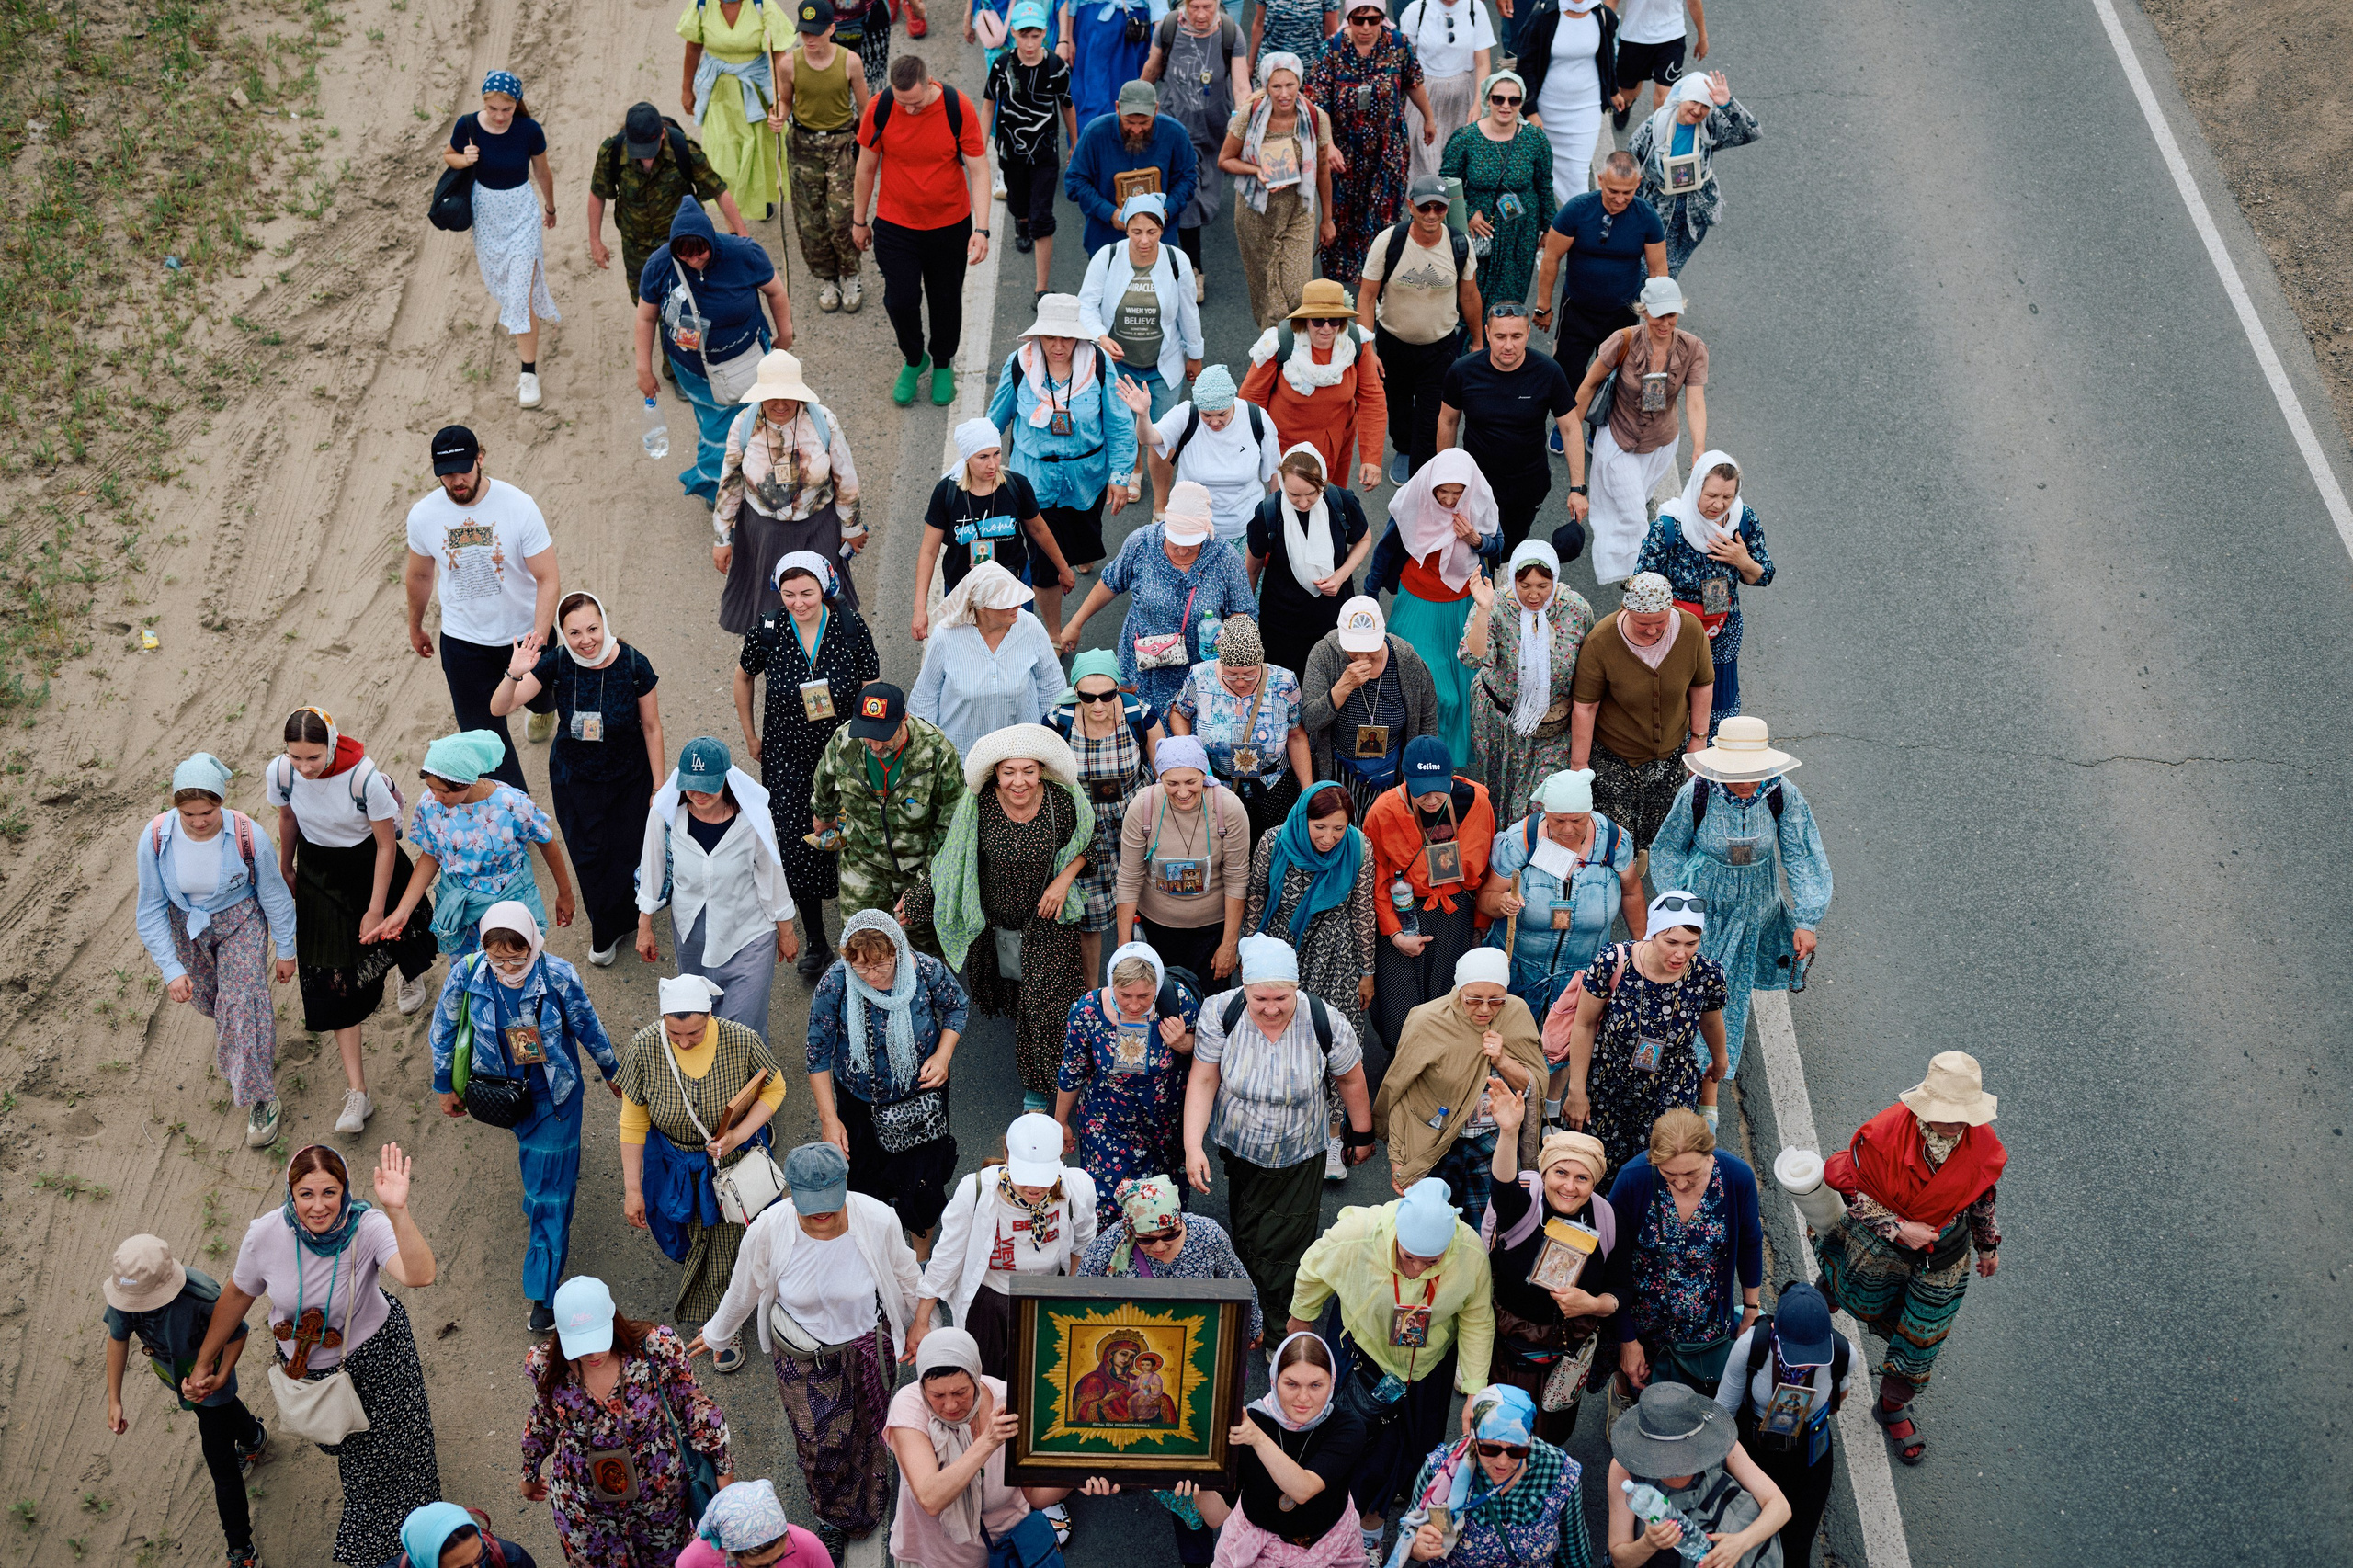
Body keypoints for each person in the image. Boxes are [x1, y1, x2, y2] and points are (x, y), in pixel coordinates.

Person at [188, 1144, 441, 1567]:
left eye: (330, 1192)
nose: (319, 1206)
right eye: (306, 1194)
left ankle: (395, 1548)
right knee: (345, 1447)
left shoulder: (369, 1226)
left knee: (383, 1462)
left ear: (345, 1190)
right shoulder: (265, 1234)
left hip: (377, 1360)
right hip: (304, 1369)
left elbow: (421, 1275)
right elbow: (237, 1294)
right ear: (290, 1193)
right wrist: (204, 1361)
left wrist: (397, 1210)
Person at [693, 1143, 924, 1568]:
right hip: (802, 1360)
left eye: (829, 1206)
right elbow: (743, 1287)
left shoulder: (877, 1218)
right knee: (820, 1446)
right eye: (810, 1207)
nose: (821, 1216)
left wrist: (919, 1327)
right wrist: (718, 1333)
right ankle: (833, 1520)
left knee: (868, 1432)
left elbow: (908, 1274)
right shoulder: (769, 1229)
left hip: (865, 1348)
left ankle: (870, 1505)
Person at [428, 902, 620, 1329]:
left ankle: (544, 1294)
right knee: (544, 1178)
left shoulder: (558, 976)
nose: (507, 966)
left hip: (555, 1100)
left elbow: (587, 1025)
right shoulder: (467, 973)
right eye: (497, 957)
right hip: (501, 1099)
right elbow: (443, 1029)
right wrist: (444, 1085)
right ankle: (548, 1186)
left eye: (516, 956)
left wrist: (612, 1070)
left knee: (548, 1199)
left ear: (532, 942)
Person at [1814, 1053, 2006, 1470]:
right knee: (1848, 1287)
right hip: (1880, 1245)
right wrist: (1899, 1228)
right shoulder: (1884, 1133)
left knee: (1922, 1339)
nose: (1956, 1125)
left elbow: (1982, 1200)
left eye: (1963, 1116)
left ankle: (1891, 1405)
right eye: (1947, 1114)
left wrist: (1987, 1246)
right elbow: (1850, 1190)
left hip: (1943, 1256)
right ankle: (1820, 1302)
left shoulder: (1981, 1144)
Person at [1286, 1177, 1493, 1558]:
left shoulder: (1470, 1252)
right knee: (1348, 1449)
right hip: (1361, 1354)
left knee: (1416, 1453)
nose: (1415, 1270)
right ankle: (1342, 1530)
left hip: (1427, 1368)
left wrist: (1476, 1390)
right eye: (1407, 1257)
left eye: (1430, 1262)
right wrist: (1301, 1321)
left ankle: (1374, 1524)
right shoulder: (1357, 1233)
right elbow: (1313, 1269)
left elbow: (1478, 1318)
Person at [1187, 936, 1375, 1325]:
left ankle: (1278, 1330)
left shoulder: (1325, 1019)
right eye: (1261, 1000)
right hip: (1241, 1146)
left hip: (1300, 1150)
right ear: (1245, 987)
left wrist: (1363, 1134)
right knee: (1249, 1232)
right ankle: (1251, 1309)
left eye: (1281, 999)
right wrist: (1193, 1146)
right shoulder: (1221, 1011)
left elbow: (1352, 1081)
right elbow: (1203, 1079)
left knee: (1284, 1244)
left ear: (1296, 988)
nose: (1271, 1008)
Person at [906, 725, 1094, 1111]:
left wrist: (1062, 880)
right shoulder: (979, 807)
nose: (1019, 781)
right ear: (996, 774)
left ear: (1041, 770)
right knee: (1015, 997)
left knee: (1044, 1007)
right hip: (998, 923)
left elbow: (1091, 844)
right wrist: (918, 901)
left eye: (1027, 770)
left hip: (1048, 921)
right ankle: (1041, 1053)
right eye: (1009, 772)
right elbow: (952, 861)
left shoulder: (1063, 801)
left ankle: (1041, 1087)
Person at [492, 595, 665, 968]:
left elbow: (651, 728)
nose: (585, 639)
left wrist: (658, 786)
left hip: (628, 777)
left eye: (592, 628)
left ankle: (635, 913)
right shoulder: (557, 663)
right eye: (573, 632)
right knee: (589, 857)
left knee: (626, 850)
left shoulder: (634, 664)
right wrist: (514, 672)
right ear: (562, 633)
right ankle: (605, 929)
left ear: (603, 622)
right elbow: (499, 707)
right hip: (576, 779)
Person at [1650, 718, 1826, 1085]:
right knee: (1694, 983)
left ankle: (1706, 1077)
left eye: (1752, 773)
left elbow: (1802, 853)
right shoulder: (1697, 793)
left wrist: (1807, 919)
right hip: (1703, 910)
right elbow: (1667, 850)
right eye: (1736, 773)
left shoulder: (1782, 794)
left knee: (1731, 990)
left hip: (1753, 911)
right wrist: (1676, 911)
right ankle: (1686, 1067)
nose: (1745, 783)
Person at [735, 552, 881, 978]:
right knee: (797, 843)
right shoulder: (767, 631)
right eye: (789, 593)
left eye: (807, 592)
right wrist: (750, 735)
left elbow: (871, 686)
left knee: (855, 838)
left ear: (825, 588)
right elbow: (743, 677)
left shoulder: (851, 628)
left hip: (844, 753)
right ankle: (817, 941)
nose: (798, 602)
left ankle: (863, 930)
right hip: (786, 756)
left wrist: (872, 740)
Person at [523, 1276, 736, 1566]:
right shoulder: (546, 1365)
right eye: (580, 1344)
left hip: (658, 1493)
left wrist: (725, 1480)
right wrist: (529, 1474)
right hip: (582, 1499)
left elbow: (695, 1409)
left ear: (612, 1318)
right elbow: (541, 1422)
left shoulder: (655, 1348)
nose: (591, 1354)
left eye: (597, 1338)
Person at [619, 973, 787, 1341]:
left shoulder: (741, 1040)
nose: (684, 1041)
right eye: (675, 1033)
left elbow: (774, 1088)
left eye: (693, 1033)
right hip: (674, 1164)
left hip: (733, 1162)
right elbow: (632, 1121)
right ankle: (730, 1301)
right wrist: (633, 1189)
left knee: (729, 1239)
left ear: (710, 1015)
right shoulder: (644, 1047)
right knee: (685, 1233)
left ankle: (723, 1327)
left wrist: (738, 1134)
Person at [133, 747, 286, 1149]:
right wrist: (171, 969)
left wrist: (285, 948)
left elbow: (273, 893)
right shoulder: (155, 840)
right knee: (211, 1001)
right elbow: (149, 908)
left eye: (208, 813)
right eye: (189, 815)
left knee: (239, 1003)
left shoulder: (248, 835)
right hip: (188, 929)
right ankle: (249, 1032)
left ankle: (261, 1098)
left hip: (240, 922)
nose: (199, 822)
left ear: (221, 803)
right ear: (176, 809)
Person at [403, 425, 559, 791]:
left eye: (463, 469)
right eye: (447, 473)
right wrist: (415, 625)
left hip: (524, 636)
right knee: (486, 740)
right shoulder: (424, 515)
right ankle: (517, 817)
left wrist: (537, 639)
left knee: (542, 699)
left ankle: (543, 709)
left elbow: (547, 578)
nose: (456, 481)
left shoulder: (518, 506)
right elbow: (420, 576)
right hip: (464, 643)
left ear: (480, 458)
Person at [99, 1234, 270, 1568]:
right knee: (219, 1412)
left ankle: (241, 1548)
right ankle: (252, 1438)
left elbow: (238, 1331)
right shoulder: (125, 1296)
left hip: (210, 1380)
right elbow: (117, 1339)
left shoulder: (201, 1295)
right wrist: (114, 1399)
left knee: (221, 1467)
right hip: (175, 1376)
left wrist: (219, 1378)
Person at [804, 909, 967, 1255]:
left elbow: (957, 1007)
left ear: (897, 951)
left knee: (923, 1183)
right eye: (861, 967)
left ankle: (920, 1259)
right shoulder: (835, 982)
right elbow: (817, 1053)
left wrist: (942, 1056)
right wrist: (829, 1120)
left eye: (880, 965)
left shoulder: (924, 970)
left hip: (922, 1098)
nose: (871, 975)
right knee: (865, 1184)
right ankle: (877, 1256)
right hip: (860, 1104)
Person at [885, 1328, 1118, 1568]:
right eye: (937, 1395)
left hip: (1006, 1552)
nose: (950, 1405)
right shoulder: (909, 1406)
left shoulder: (1010, 1402)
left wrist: (1075, 1477)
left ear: (976, 1376)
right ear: (922, 1387)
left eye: (960, 1392)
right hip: (930, 1558)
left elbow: (1035, 1497)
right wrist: (987, 1443)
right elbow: (930, 1498)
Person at [1242, 782, 1377, 1166]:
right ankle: (1280, 1127)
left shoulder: (1359, 846)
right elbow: (1256, 896)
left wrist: (1367, 971)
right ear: (1304, 818)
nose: (1330, 838)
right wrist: (1249, 950)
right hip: (1281, 947)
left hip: (1335, 951)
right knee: (1277, 1036)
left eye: (1338, 828)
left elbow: (1362, 910)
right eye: (1320, 827)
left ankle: (1333, 1137)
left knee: (1336, 1039)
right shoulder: (1274, 842)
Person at [911, 1114, 1100, 1375]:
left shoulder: (1078, 1189)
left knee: (1041, 1380)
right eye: (1025, 1175)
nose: (1034, 1188)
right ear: (1006, 1155)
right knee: (985, 1381)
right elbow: (947, 1257)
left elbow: (1083, 1243)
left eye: (1043, 1176)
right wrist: (921, 1321)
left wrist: (1070, 1299)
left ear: (1059, 1159)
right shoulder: (976, 1190)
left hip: (1045, 1299)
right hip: (990, 1303)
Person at [635, 197, 795, 505]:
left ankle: (758, 479)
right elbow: (645, 316)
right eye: (685, 256)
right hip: (694, 369)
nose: (694, 261)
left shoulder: (743, 254)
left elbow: (775, 291)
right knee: (718, 432)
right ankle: (719, 489)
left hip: (748, 358)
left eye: (701, 253)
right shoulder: (659, 265)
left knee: (760, 421)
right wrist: (644, 368)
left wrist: (785, 334)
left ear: (711, 240)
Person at [853, 55, 992, 408]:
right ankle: (915, 359)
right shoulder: (881, 107)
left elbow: (978, 170)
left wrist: (982, 229)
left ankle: (943, 361)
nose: (909, 110)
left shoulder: (956, 107)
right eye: (902, 103)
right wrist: (858, 220)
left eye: (915, 103)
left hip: (948, 225)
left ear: (930, 84)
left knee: (945, 300)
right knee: (900, 300)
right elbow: (866, 167)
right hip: (896, 224)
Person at [637, 737, 798, 1039]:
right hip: (692, 938)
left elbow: (772, 878)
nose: (697, 794)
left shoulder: (752, 821)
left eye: (707, 784)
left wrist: (786, 932)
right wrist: (645, 926)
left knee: (743, 1030)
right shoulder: (665, 817)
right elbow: (652, 870)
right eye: (690, 784)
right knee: (702, 1025)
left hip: (748, 936)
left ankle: (754, 1084)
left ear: (725, 778)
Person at [1553, 896, 1726, 1171]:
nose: (1680, 954)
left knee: (1662, 1164)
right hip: (1608, 1082)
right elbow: (1584, 1024)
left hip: (1672, 1083)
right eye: (1671, 943)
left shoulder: (1707, 974)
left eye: (1690, 944)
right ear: (1653, 934)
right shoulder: (1612, 961)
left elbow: (1711, 1020)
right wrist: (1576, 1091)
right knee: (1598, 1165)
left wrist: (1720, 1059)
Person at [367, 731, 574, 960]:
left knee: (512, 964)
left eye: (443, 791)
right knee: (470, 970)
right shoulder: (430, 805)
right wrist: (402, 912)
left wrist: (565, 893)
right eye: (430, 787)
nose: (435, 797)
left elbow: (546, 841)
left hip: (508, 900)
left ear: (466, 782)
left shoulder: (511, 804)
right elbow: (431, 854)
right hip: (462, 906)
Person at [1377, 948, 1543, 1232]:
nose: (1484, 1009)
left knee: (1490, 1229)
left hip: (1490, 1141)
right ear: (1458, 990)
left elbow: (1534, 1085)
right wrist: (1398, 1157)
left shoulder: (1516, 1013)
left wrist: (1502, 1060)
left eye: (1496, 1000)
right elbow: (1401, 1092)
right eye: (1474, 999)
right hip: (1437, 1140)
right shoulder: (1426, 1020)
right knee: (1430, 1230)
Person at [1055, 483, 1257, 715]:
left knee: (1185, 735)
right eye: (1176, 542)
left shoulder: (1225, 557)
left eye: (1190, 545)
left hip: (1198, 669)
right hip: (1144, 664)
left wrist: (1228, 634)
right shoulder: (1141, 543)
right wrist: (1075, 623)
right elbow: (1111, 583)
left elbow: (1243, 611)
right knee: (1139, 725)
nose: (1182, 551)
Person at [985, 294, 1135, 608]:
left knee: (1084, 541)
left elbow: (1119, 425)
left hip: (1087, 479)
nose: (1058, 345)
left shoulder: (1098, 364)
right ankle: (1053, 634)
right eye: (1050, 337)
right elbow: (994, 422)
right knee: (1044, 565)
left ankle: (1078, 556)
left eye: (1067, 337)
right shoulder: (1019, 365)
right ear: (1038, 335)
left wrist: (1120, 476)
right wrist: (978, 466)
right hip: (1034, 483)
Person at [1482, 1107, 1621, 1441]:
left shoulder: (1604, 1218)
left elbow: (1621, 1288)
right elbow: (1502, 1187)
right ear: (1544, 1174)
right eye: (1560, 1173)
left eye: (1582, 1178)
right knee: (1501, 1434)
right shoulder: (1523, 1207)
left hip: (1566, 1361)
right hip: (1508, 1352)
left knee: (1552, 1436)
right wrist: (1509, 1132)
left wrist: (1593, 1305)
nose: (1569, 1187)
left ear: (1595, 1181)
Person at [1608, 1108, 1763, 1409]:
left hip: (1706, 1321)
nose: (1680, 1184)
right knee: (1640, 1386)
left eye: (1691, 1174)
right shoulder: (1633, 1179)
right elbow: (1613, 1264)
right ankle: (1623, 1395)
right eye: (1669, 1175)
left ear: (1710, 1155)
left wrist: (1750, 1309)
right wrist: (1627, 1340)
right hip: (1642, 1321)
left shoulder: (1736, 1177)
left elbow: (1750, 1242)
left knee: (1694, 1395)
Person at [1364, 736, 1497, 1074]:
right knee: (1397, 1007)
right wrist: (1394, 934)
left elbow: (1485, 869)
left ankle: (1442, 1073)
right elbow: (1375, 878)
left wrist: (1480, 926)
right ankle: (1402, 1071)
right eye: (1422, 789)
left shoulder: (1476, 800)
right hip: (1402, 909)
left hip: (1455, 913)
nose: (1433, 798)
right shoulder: (1383, 810)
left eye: (1440, 788)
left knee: (1447, 1001)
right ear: (1405, 778)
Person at [1563, 275, 1705, 585]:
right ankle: (1641, 580)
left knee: (1633, 503)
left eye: (1671, 315)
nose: (1665, 323)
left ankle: (1626, 563)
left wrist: (1698, 447)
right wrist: (1570, 428)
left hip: (1661, 443)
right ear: (1644, 311)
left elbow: (1694, 401)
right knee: (1634, 515)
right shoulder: (1623, 340)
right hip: (1620, 439)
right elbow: (1589, 385)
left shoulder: (1693, 348)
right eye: (1658, 315)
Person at [1183, 1333, 1366, 1568]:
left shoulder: (1347, 1427)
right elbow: (1217, 1516)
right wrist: (1197, 1482)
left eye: (1316, 1385)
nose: (1303, 1397)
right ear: (1273, 1380)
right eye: (1291, 1384)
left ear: (1332, 1382)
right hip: (1254, 1545)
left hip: (1331, 1544)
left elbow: (1303, 1489)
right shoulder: (1250, 1423)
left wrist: (1257, 1438)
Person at [715, 349, 864, 631]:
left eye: (788, 394)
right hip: (765, 533)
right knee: (776, 612)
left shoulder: (823, 421)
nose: (781, 404)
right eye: (772, 395)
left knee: (821, 605)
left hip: (818, 528)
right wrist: (722, 538)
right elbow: (730, 483)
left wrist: (851, 527)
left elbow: (845, 477)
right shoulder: (744, 425)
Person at [1483, 767, 1643, 1026]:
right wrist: (1500, 903)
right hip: (1520, 969)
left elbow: (1633, 891)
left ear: (1590, 812)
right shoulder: (1520, 840)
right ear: (1545, 813)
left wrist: (1641, 947)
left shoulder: (1613, 842)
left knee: (1567, 1050)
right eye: (1558, 821)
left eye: (1578, 820)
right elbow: (1486, 898)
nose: (1568, 829)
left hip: (1583, 974)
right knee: (1511, 1039)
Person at [1711, 1283, 1859, 1566]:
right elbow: (1724, 1411)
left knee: (1797, 1548)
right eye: (1797, 1355)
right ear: (1777, 1336)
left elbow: (1838, 1398)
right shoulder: (1750, 1347)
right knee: (1748, 1536)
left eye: (1813, 1356)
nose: (1805, 1366)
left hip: (1808, 1454)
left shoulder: (1843, 1353)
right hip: (1754, 1451)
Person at [1566, 572, 1713, 851]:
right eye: (1642, 623)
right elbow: (1586, 706)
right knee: (1616, 838)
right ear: (1626, 609)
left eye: (1660, 622)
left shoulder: (1691, 630)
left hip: (1671, 754)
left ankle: (1650, 866)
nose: (1651, 630)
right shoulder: (1601, 642)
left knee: (1665, 829)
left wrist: (1699, 738)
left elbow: (1702, 684)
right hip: (1616, 758)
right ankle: (1624, 881)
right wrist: (1579, 765)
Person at [809, 681, 969, 936]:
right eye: (868, 736)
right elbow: (824, 777)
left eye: (883, 737)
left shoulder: (936, 751)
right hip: (864, 862)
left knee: (922, 952)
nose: (875, 746)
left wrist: (926, 884)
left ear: (904, 719)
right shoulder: (844, 740)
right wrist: (824, 814)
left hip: (918, 866)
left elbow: (950, 823)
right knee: (861, 944)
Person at [1358, 175, 1484, 484]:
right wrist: (1367, 350)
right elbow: (1367, 295)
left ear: (1446, 209)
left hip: (1439, 346)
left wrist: (1479, 340)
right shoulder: (1389, 242)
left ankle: (1422, 468)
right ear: (1410, 205)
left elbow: (1469, 295)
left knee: (1432, 414)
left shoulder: (1458, 244)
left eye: (1438, 208)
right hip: (1393, 342)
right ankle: (1403, 447)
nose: (1431, 214)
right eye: (1424, 207)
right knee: (1397, 405)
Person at [443, 72, 559, 408]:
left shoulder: (529, 130)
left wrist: (550, 208)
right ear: (484, 103)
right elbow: (448, 155)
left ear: (515, 104)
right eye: (493, 108)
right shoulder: (468, 125)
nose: (499, 115)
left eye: (506, 109)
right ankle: (528, 324)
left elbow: (542, 172)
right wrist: (465, 159)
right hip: (487, 215)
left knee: (520, 294)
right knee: (505, 284)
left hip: (522, 213)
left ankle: (528, 375)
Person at [1048, 651, 1165, 981]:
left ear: (1118, 688)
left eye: (1107, 695)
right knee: (1091, 918)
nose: (1098, 705)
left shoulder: (1139, 716)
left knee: (1147, 905)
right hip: (1085, 834)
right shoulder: (1059, 721)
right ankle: (1093, 992)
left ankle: (1144, 981)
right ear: (1075, 692)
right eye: (1087, 697)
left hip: (1135, 825)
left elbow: (1164, 772)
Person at [1635, 451, 1771, 731]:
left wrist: (1743, 562)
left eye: (1727, 496)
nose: (1719, 505)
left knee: (1721, 707)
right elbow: (1642, 582)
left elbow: (1765, 574)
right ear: (1696, 486)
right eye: (1711, 495)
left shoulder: (1742, 521)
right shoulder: (1670, 526)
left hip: (1723, 628)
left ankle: (1712, 765)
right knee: (1672, 707)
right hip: (1674, 633)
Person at [1460, 539, 1594, 821]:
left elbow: (1591, 664)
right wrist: (1483, 609)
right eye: (1525, 586)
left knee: (1540, 803)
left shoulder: (1576, 609)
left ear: (1555, 580)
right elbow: (1472, 659)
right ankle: (1502, 854)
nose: (1533, 595)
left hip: (1553, 727)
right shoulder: (1495, 605)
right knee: (1496, 795)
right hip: (1500, 721)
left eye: (1543, 586)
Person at [1381, 450, 1502, 763]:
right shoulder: (1414, 502)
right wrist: (1368, 593)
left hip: (1462, 606)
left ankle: (1442, 761)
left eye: (1456, 494)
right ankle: (1417, 754)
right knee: (1436, 692)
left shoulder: (1479, 503)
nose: (1449, 501)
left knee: (1463, 694)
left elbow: (1497, 545)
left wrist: (1477, 540)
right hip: (1417, 605)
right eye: (1442, 492)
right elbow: (1386, 547)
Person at [1397, 1385, 1597, 1568]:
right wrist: (1417, 1549)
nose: (1502, 1462)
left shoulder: (1559, 1473)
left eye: (1516, 1451)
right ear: (1474, 1439)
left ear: (1529, 1441)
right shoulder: (1439, 1471)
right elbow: (1409, 1534)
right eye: (1490, 1449)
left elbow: (1575, 1554)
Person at [1055, 936, 1202, 1184]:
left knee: (1159, 1208)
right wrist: (1060, 1122)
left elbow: (1206, 1053)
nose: (1134, 1005)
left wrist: (1183, 1043)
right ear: (1112, 986)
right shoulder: (1087, 1010)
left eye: (1144, 996)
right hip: (1106, 1120)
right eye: (1125, 995)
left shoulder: (1178, 999)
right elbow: (1073, 1069)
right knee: (1105, 1202)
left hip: (1164, 1124)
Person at [1304, 5, 1434, 287]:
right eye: (1357, 20)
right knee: (1343, 221)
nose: (1365, 27)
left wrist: (1428, 117)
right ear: (1347, 20)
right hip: (1344, 154)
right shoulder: (1332, 49)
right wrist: (1328, 144)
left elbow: (1413, 82)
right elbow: (1317, 102)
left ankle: (1379, 284)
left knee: (1384, 218)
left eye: (1372, 20)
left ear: (1382, 19)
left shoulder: (1397, 44)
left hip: (1388, 151)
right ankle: (1340, 293)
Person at [1435, 305, 1582, 549]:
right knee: (1469, 542)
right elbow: (1448, 420)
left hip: (1527, 486)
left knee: (1509, 544)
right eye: (1500, 337)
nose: (1508, 346)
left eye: (1516, 337)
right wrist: (1445, 476)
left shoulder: (1549, 372)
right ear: (1487, 333)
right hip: (1477, 484)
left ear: (1527, 333)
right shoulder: (1463, 371)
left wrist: (1578, 488)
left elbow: (1570, 428)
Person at [1084, 194, 1206, 483]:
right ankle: (1135, 469)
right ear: (1125, 228)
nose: (1144, 240)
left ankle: (1161, 502)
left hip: (1163, 366)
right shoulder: (1108, 257)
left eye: (1152, 232)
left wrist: (1196, 356)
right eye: (1136, 232)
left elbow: (1188, 313)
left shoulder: (1178, 260)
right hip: (1120, 368)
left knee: (1161, 436)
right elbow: (1086, 305)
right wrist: (1100, 337)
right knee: (1126, 428)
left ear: (1162, 229)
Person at [1604, 1383, 1790, 1568]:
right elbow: (1621, 1560)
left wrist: (1739, 1543)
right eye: (1662, 1452)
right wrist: (1647, 1544)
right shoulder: (1625, 1469)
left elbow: (1780, 1506)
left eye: (1683, 1449)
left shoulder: (1722, 1447)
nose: (1675, 1461)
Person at [1114, 735, 1253, 982]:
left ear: (1204, 775)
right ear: (1160, 778)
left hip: (1212, 929)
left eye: (1191, 781)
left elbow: (1237, 877)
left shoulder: (1228, 807)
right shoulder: (1143, 807)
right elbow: (1129, 877)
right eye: (1172, 783)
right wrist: (1124, 949)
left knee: (1209, 1005)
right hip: (1157, 927)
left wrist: (1230, 944)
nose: (1182, 791)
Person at [1167, 614, 1312, 847]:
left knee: (1274, 852)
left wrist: (1307, 792)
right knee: (1225, 854)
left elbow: (1296, 735)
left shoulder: (1284, 681)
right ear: (1220, 662)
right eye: (1232, 674)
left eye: (1250, 674)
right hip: (1217, 787)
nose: (1242, 682)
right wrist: (1190, 755)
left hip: (1273, 786)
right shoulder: (1201, 676)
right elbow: (1179, 713)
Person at [1530, 152, 1666, 400]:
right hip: (1577, 310)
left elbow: (1658, 271)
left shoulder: (1646, 217)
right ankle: (1565, 431)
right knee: (1567, 375)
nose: (1620, 199)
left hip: (1622, 313)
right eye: (1613, 190)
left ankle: (1598, 435)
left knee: (1614, 379)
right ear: (1601, 180)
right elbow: (1551, 259)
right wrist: (1543, 306)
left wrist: (1657, 317)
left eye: (1627, 193)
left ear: (1637, 183)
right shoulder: (1577, 210)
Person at [589, 101, 747, 312]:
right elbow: (597, 194)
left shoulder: (684, 150)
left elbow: (718, 190)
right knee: (646, 301)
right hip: (637, 246)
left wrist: (743, 235)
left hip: (682, 243)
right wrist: (595, 241)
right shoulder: (613, 151)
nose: (645, 156)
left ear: (662, 133)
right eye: (639, 150)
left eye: (649, 150)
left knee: (689, 300)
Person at [1237, 280, 1390, 496]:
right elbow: (1250, 402)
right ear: (1304, 320)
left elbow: (1372, 400)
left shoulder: (1357, 343)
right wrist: (1249, 452)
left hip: (1337, 446)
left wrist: (1372, 459)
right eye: (1318, 321)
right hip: (1288, 447)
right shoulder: (1277, 344)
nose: (1327, 328)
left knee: (1330, 506)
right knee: (1293, 506)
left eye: (1334, 320)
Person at [1221, 54, 1338, 330]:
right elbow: (1225, 159)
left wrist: (1327, 218)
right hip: (1255, 213)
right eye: (1276, 87)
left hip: (1297, 211)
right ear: (1265, 85)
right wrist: (1257, 170)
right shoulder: (1250, 114)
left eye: (1290, 85)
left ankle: (1294, 355)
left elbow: (1322, 169)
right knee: (1267, 299)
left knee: (1298, 294)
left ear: (1300, 82)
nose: (1284, 94)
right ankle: (1275, 358)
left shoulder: (1315, 117)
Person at [1078, 1176, 1263, 1347]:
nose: (1159, 1247)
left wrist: (1253, 1328)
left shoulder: (1208, 1236)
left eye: (1170, 1235)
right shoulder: (1112, 1241)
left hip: (1196, 1335)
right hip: (1134, 1340)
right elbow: (1082, 1287)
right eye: (1147, 1239)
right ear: (1131, 1229)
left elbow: (1238, 1282)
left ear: (1180, 1220)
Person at [1142, 0, 1250, 290]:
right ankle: (1192, 270)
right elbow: (1151, 70)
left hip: (1213, 130)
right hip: (1173, 126)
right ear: (1183, 6)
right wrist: (1135, 109)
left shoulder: (1230, 32)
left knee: (1203, 199)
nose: (1202, 14)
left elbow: (1241, 86)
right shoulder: (1168, 28)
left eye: (1208, 6)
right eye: (1195, 7)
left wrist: (1243, 125)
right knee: (1184, 196)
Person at [909, 563, 1067, 759]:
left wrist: (1050, 737)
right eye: (1007, 602)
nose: (1018, 605)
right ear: (982, 606)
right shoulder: (945, 636)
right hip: (962, 757)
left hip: (1020, 754)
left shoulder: (1031, 627)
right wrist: (927, 752)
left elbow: (1052, 684)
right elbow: (926, 696)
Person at [915, 421, 1059, 635]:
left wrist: (1063, 569)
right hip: (964, 592)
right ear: (966, 458)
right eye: (983, 457)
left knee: (1015, 650)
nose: (992, 464)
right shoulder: (946, 493)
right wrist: (919, 609)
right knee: (968, 655)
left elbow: (1038, 530)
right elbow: (929, 551)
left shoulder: (1016, 485)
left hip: (1012, 589)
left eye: (996, 454)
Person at [1297, 597, 1438, 815]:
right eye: (1354, 650)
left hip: (1390, 768)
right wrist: (1342, 688)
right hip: (1340, 767)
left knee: (1382, 828)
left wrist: (1421, 768)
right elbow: (1310, 720)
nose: (1362, 657)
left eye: (1370, 649)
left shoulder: (1405, 657)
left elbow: (1427, 714)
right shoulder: (1325, 653)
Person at [1246, 447, 1372, 679]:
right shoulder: (1268, 512)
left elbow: (1364, 538)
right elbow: (1252, 568)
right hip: (1282, 624)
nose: (1303, 503)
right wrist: (1245, 618)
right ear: (1282, 485)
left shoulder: (1341, 501)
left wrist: (1340, 575)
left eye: (1312, 494)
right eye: (1294, 495)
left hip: (1333, 618)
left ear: (1322, 483)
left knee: (1330, 683)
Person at [779, 0, 872, 313]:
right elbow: (785, 102)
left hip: (840, 145)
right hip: (803, 146)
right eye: (804, 32)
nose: (810, 39)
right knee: (811, 221)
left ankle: (850, 274)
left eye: (816, 32)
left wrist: (869, 147)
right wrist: (777, 116)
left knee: (842, 217)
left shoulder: (850, 62)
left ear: (832, 28)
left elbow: (864, 109)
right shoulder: (788, 64)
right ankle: (827, 278)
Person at [1132, 365, 1284, 551]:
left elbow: (1275, 475)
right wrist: (1142, 415)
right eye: (1206, 415)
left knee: (1244, 580)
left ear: (1232, 403)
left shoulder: (1257, 418)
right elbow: (1148, 438)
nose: (1214, 422)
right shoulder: (1186, 414)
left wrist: (1278, 521)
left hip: (1244, 528)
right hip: (1192, 529)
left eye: (1222, 414)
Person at [983, 4, 1077, 292]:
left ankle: (1041, 288)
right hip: (1011, 153)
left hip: (1045, 154)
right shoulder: (1001, 66)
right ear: (1013, 33)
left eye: (1035, 35)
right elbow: (989, 105)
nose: (1029, 42)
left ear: (1044, 34)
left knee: (1042, 218)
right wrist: (977, 143)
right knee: (1018, 204)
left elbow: (1067, 106)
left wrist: (1075, 144)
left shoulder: (1055, 67)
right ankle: (1020, 220)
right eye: (1023, 35)